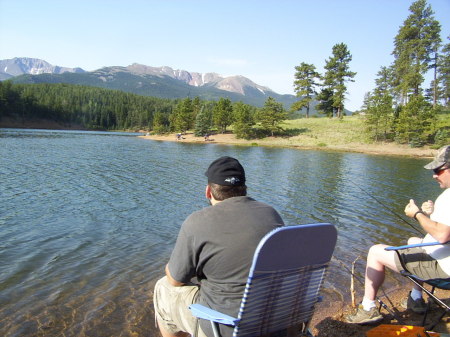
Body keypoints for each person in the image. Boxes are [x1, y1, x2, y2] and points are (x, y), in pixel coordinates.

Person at [153, 156, 284, 337]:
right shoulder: (272, 215)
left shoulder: (197, 221)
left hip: (225, 326)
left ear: (208, 191)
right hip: (275, 320)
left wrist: (170, 268)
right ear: (244, 189)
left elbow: (176, 280)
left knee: (163, 288)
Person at [346, 145, 450, 324]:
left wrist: (417, 214)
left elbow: (442, 235)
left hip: (444, 272)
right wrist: (432, 214)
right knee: (414, 240)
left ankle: (368, 309)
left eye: (438, 170)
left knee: (376, 252)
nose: (434, 175)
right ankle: (416, 298)